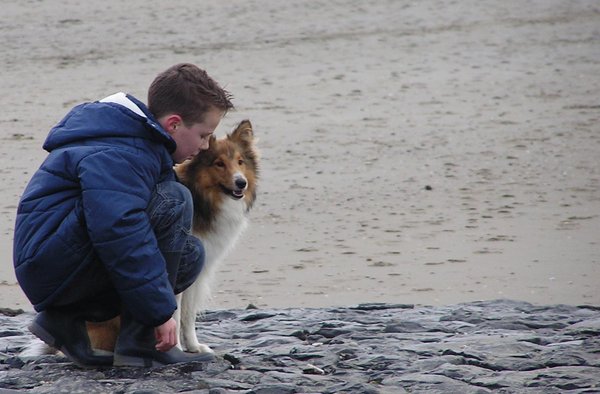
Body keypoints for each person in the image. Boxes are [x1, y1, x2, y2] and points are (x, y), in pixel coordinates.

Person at [13, 63, 234, 367]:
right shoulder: (121, 152)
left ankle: (71, 323)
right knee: (174, 199)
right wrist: (159, 314)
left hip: (60, 262)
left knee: (189, 254)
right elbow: (119, 230)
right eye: (204, 135)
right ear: (173, 124)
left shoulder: (137, 143)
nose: (206, 146)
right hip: (51, 268)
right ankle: (140, 343)